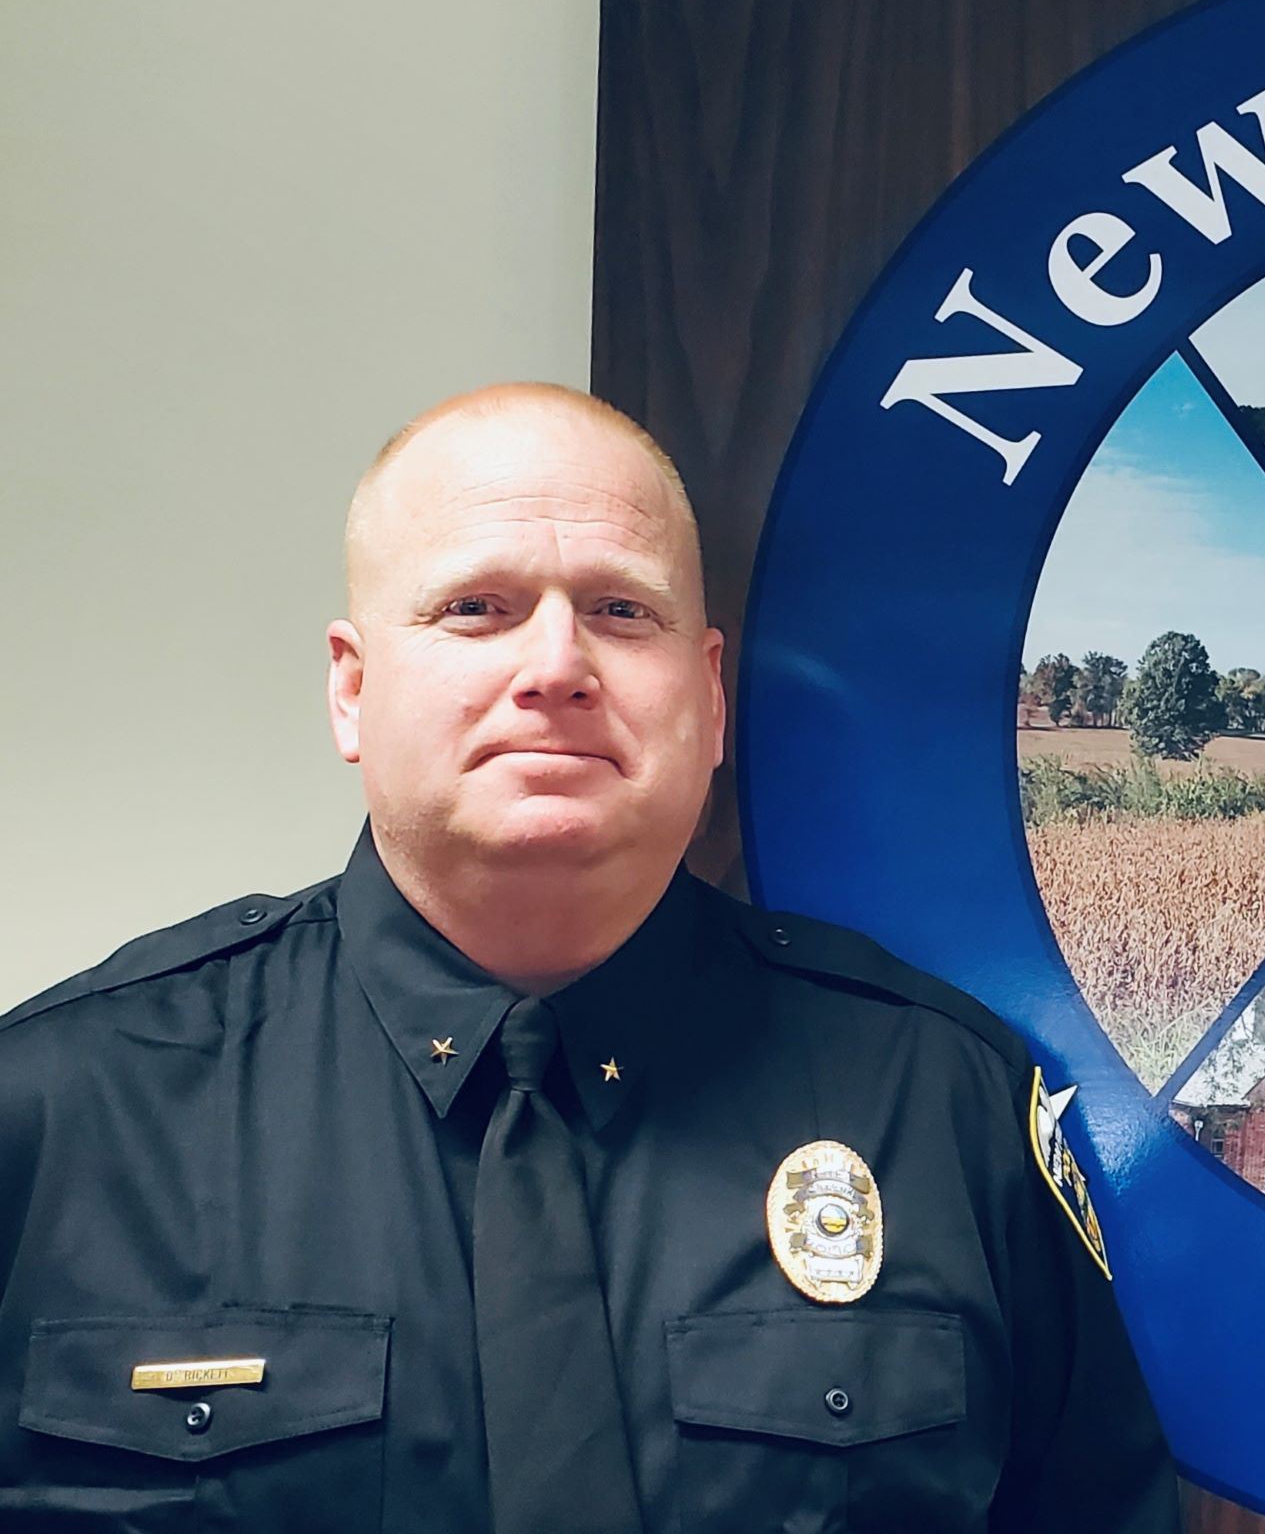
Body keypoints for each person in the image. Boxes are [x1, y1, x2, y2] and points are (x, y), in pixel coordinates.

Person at [0, 384, 1182, 1532]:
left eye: (622, 611)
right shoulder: (65, 1112)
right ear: (353, 690)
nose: (556, 664)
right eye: (476, 608)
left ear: (710, 697)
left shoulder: (943, 1102)